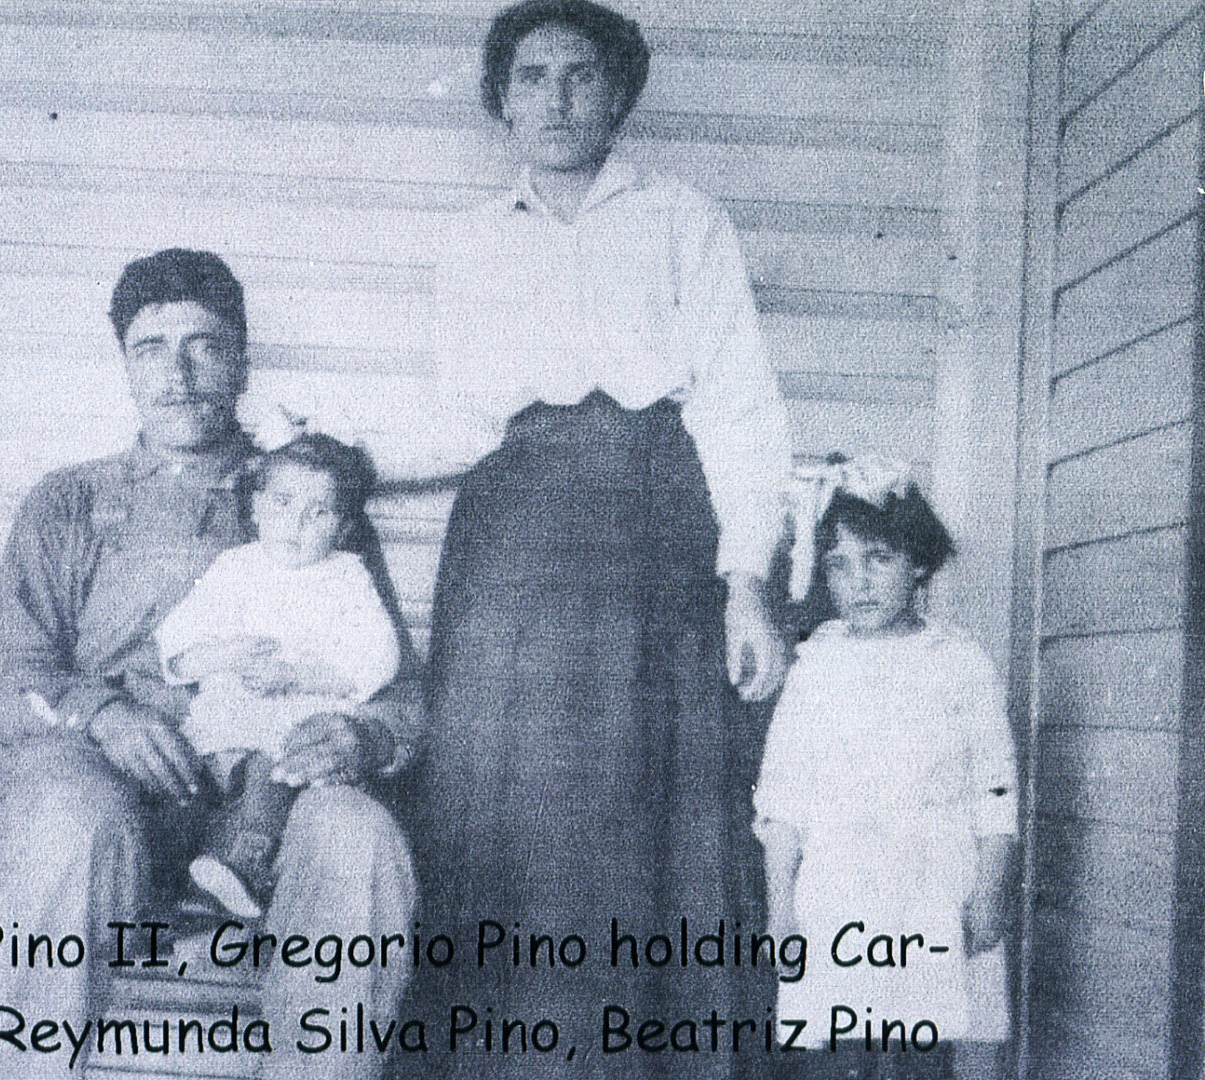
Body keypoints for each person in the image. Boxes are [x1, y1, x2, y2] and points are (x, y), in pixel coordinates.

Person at [391, 3, 792, 1077]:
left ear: (620, 94)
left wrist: (745, 583)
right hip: (512, 547)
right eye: (532, 78)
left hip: (654, 535)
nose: (557, 98)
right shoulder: (473, 238)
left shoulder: (683, 219)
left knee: (648, 807)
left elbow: (740, 407)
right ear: (501, 100)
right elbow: (461, 418)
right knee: (512, 810)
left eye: (580, 76)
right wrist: (339, 459)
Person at [0, 249, 418, 1079]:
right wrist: (103, 715)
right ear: (125, 365)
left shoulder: (306, 494)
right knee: (70, 827)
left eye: (204, 345)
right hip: (106, 782)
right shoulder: (70, 499)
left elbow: (396, 687)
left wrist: (360, 736)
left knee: (359, 837)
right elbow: (4, 672)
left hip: (264, 790)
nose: (178, 374)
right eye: (150, 347)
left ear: (242, 358)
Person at [755, 457, 1018, 1080]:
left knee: (920, 1052)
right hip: (837, 889)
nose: (860, 582)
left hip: (930, 889)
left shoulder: (959, 663)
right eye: (840, 565)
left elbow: (995, 789)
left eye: (879, 558)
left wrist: (989, 891)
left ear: (919, 561)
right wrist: (780, 910)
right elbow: (783, 798)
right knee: (838, 1049)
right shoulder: (815, 667)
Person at [157, 434, 402, 918]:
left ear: (344, 525)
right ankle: (172, 883)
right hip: (226, 717)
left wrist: (298, 676)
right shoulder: (234, 567)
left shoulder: (348, 577)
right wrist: (224, 653)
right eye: (283, 503)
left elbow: (379, 660)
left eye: (319, 513)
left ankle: (247, 865)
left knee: (270, 776)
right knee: (185, 788)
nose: (296, 525)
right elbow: (176, 644)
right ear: (255, 506)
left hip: (291, 721)